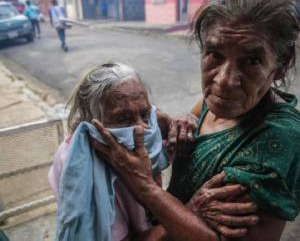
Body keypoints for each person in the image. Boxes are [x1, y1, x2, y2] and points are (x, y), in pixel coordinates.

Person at [91, 0, 300, 240]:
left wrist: (142, 184)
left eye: (251, 60)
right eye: (215, 55)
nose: (224, 81)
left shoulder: (279, 140)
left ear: (282, 63)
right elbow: (192, 122)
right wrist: (179, 121)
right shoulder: (222, 102)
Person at [49, 63, 256, 241]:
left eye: (145, 113)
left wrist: (183, 122)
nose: (143, 129)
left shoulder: (140, 133)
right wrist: (189, 212)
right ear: (92, 125)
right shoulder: (87, 171)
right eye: (123, 118)